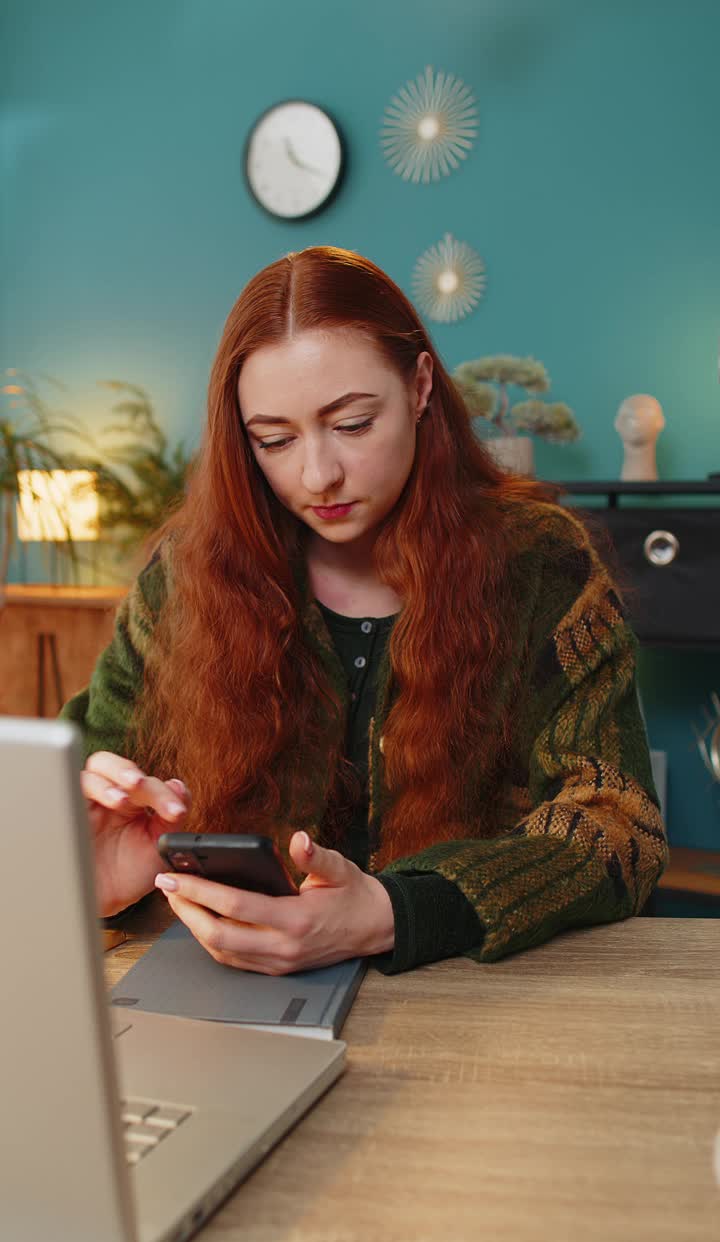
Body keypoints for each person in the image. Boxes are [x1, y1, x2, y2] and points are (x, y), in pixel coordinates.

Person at [61, 246, 668, 975]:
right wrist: (83, 873)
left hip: (477, 1011)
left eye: (352, 424)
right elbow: (77, 772)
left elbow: (619, 828)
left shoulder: (541, 563)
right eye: (275, 441)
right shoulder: (187, 579)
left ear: (417, 388)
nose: (317, 474)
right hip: (227, 1001)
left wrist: (396, 911)